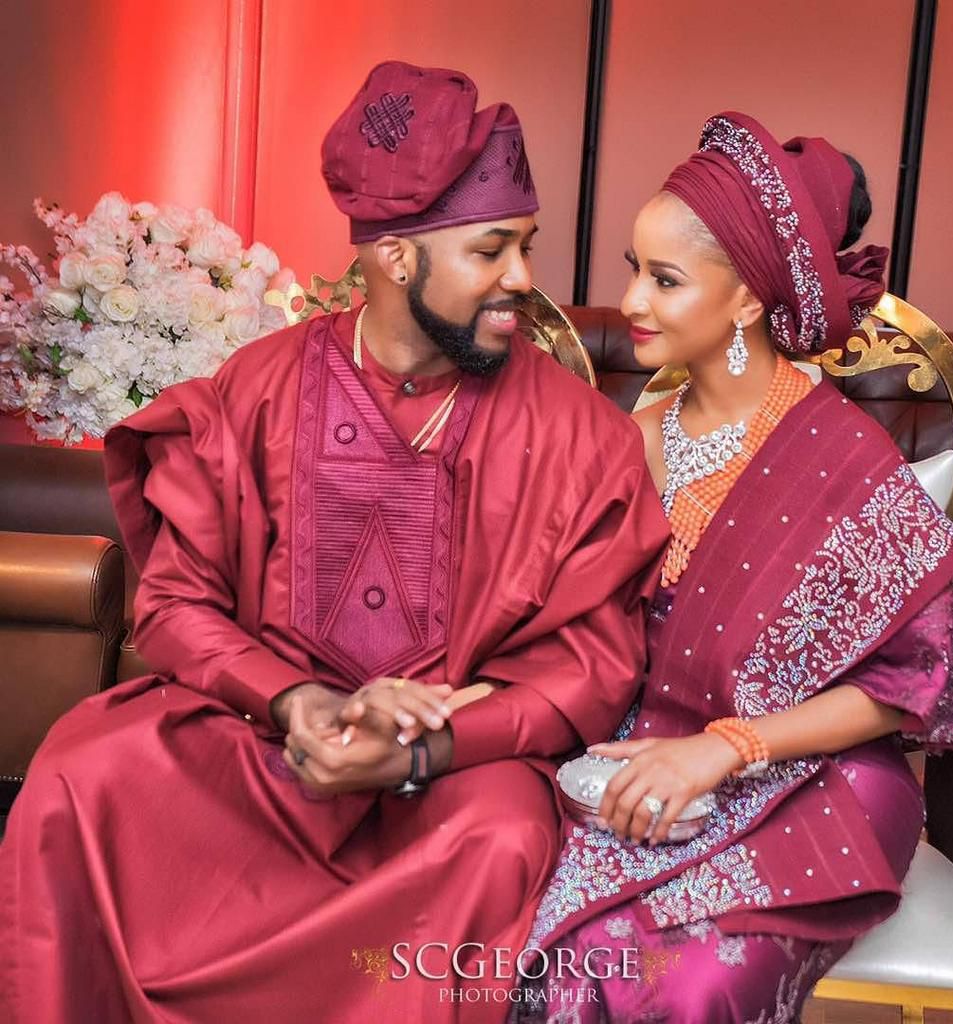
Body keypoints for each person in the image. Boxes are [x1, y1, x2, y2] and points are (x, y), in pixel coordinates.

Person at [0, 62, 668, 1023]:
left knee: (503, 836)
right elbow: (176, 604)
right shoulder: (256, 392)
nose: (524, 279)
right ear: (397, 259)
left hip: (447, 774)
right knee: (85, 769)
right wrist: (296, 699)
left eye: (525, 247)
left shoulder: (580, 435)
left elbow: (594, 666)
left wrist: (419, 751)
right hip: (263, 744)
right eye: (493, 251)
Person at [517, 112, 953, 1023]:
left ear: (745, 300)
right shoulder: (633, 440)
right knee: (530, 942)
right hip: (643, 757)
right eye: (632, 267)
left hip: (822, 776)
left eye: (664, 279)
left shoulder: (841, 454)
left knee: (689, 983)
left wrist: (726, 747)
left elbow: (908, 684)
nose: (632, 301)